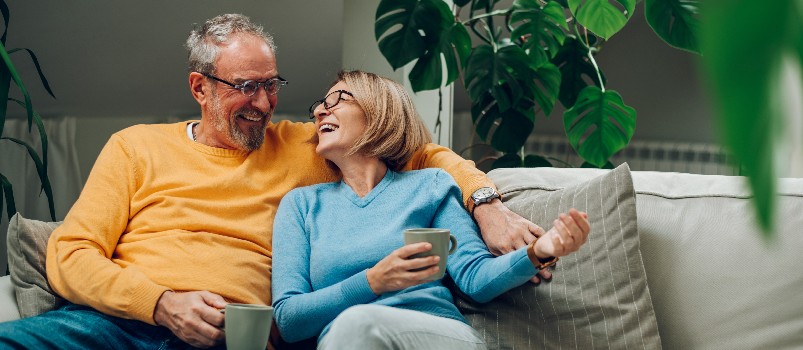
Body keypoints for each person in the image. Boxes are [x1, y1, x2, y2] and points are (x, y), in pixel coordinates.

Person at [0, 14, 552, 349]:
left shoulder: (306, 146)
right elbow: (70, 253)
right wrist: (159, 301)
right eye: (246, 87)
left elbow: (417, 150)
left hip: (233, 339)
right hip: (113, 327)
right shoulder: (135, 146)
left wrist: (485, 202)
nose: (264, 104)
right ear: (201, 86)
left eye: (273, 84)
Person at [271, 70, 591, 349]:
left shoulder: (430, 186)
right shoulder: (301, 206)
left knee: (358, 324)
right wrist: (373, 281)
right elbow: (288, 319)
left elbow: (475, 278)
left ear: (379, 110)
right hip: (347, 338)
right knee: (356, 325)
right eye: (319, 106)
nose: (320, 113)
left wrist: (541, 250)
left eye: (337, 99)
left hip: (436, 334)